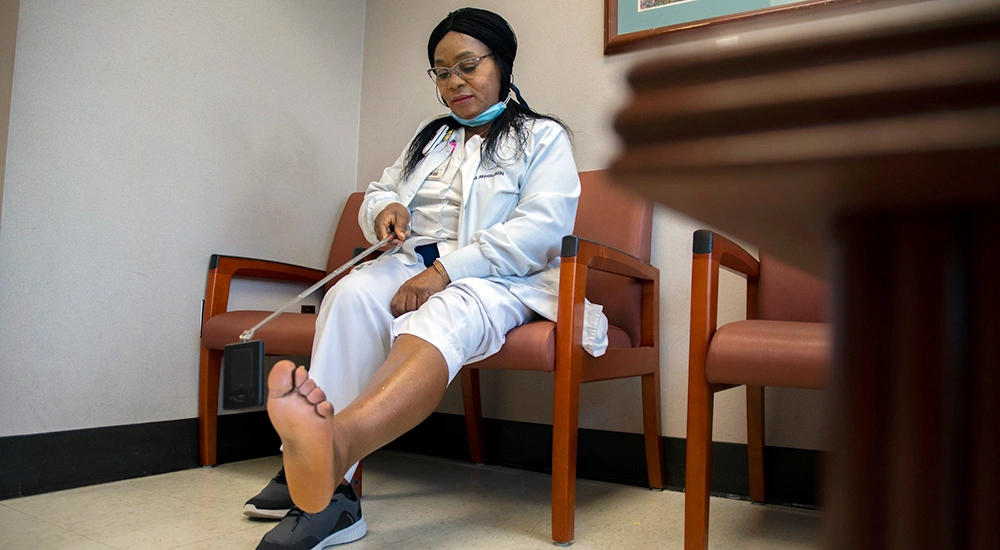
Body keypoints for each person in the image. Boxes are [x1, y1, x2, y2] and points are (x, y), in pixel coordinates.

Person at [249, 8, 604, 549]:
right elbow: (380, 190)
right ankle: (331, 491)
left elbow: (541, 231)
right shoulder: (429, 136)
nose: (453, 81)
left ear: (502, 62)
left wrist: (446, 272)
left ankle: (330, 454)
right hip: (410, 264)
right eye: (441, 71)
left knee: (443, 313)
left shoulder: (541, 136)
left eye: (467, 65)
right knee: (349, 295)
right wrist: (385, 209)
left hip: (496, 277)